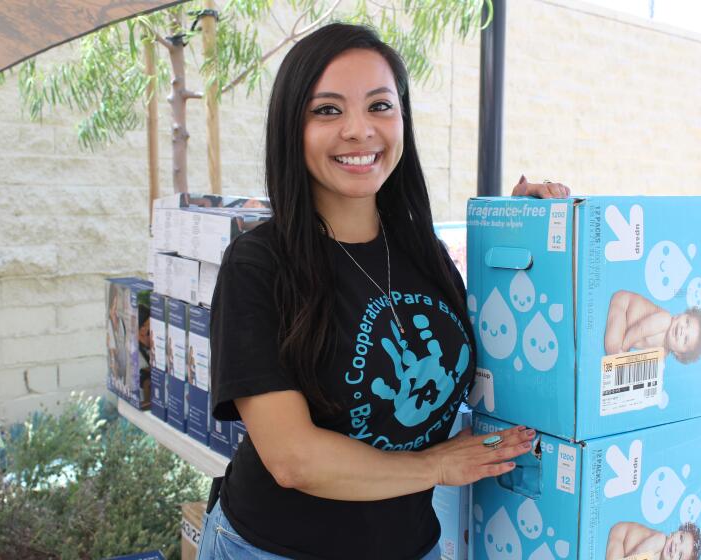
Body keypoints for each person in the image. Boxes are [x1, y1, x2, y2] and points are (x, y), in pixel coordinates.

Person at [197, 23, 567, 560]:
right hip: (273, 550)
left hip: (413, 545)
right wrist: (436, 467)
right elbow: (292, 458)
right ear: (291, 129)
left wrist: (522, 229)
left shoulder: (423, 251)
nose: (358, 130)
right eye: (327, 110)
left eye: (379, 106)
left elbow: (485, 362)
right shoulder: (258, 264)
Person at [604, 290, 701, 363]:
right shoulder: (664, 320)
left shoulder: (662, 354)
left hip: (626, 330)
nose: (682, 330)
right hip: (623, 305)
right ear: (680, 315)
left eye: (685, 339)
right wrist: (624, 348)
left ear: (678, 354)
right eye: (687, 322)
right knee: (613, 349)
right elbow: (639, 329)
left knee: (617, 359)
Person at [605, 521, 701, 560]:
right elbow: (633, 556)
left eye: (680, 555)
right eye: (681, 538)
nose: (676, 547)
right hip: (621, 536)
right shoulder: (659, 540)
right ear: (676, 532)